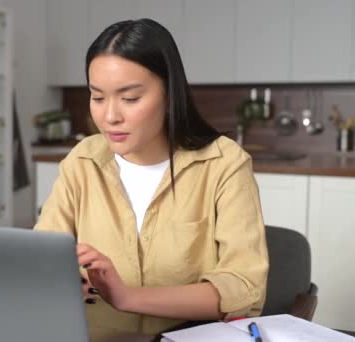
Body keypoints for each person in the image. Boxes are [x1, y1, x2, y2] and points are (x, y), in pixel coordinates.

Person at [34, 18, 268, 338]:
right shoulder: (82, 160)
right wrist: (58, 277)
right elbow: (39, 260)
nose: (110, 116)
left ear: (170, 95)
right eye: (98, 97)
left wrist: (127, 297)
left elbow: (244, 288)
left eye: (130, 98)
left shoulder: (224, 163)